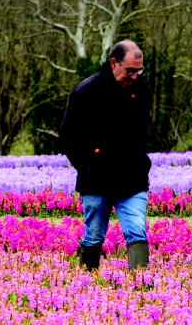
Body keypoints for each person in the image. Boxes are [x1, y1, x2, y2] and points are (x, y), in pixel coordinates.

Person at [60, 40, 152, 271]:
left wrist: (139, 156)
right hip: (97, 179)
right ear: (114, 63)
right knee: (93, 235)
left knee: (137, 230)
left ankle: (141, 286)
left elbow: (143, 127)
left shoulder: (140, 88)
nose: (134, 76)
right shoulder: (86, 91)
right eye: (129, 70)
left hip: (133, 177)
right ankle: (87, 283)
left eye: (138, 70)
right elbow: (67, 136)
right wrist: (87, 165)